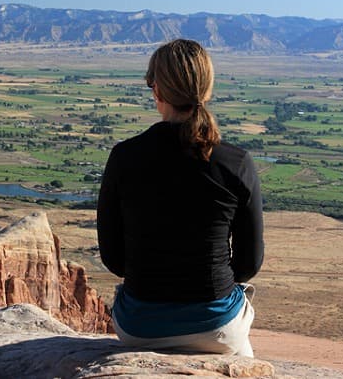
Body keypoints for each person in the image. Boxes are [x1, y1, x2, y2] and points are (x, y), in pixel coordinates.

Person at [97, 38, 264, 357]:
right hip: (216, 328)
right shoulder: (236, 163)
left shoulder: (124, 158)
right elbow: (249, 264)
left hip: (138, 327)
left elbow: (113, 259)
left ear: (157, 91)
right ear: (207, 90)